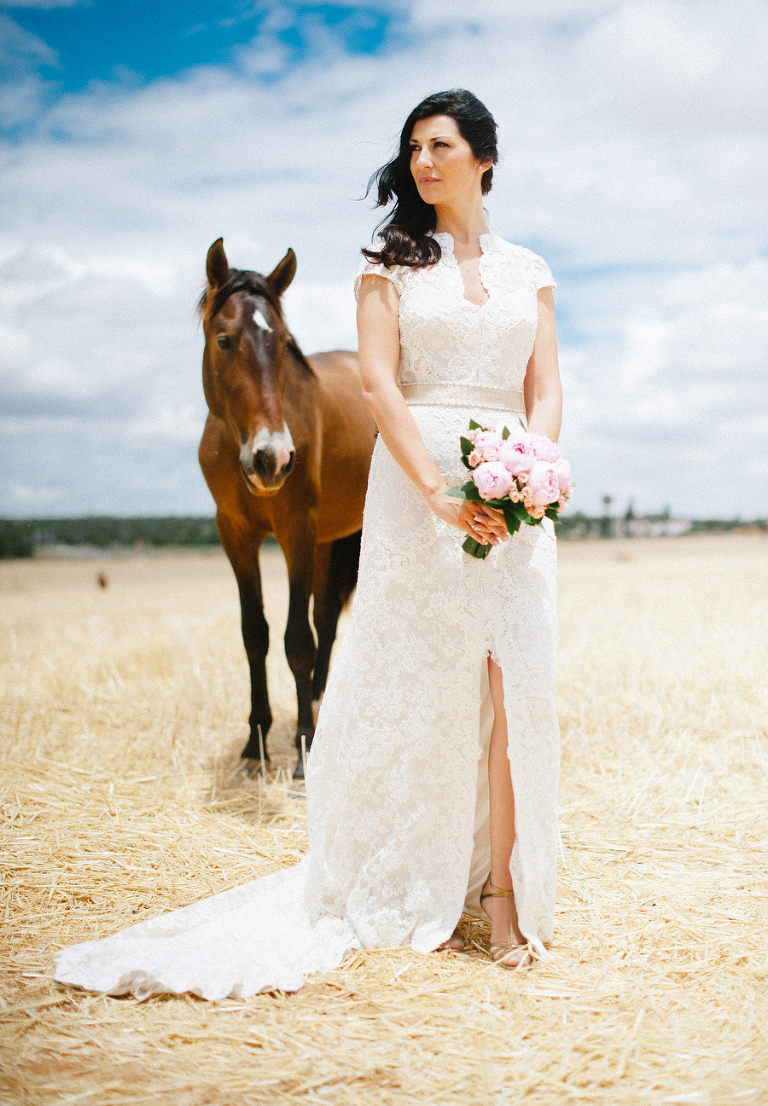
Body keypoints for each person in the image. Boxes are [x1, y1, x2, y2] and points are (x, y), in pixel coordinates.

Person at [54, 89, 561, 999]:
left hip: (512, 497)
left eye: (439, 146)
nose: (421, 162)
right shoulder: (385, 267)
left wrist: (533, 466)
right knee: (422, 690)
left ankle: (500, 897)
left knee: (509, 692)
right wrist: (443, 495)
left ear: (484, 157)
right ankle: (418, 878)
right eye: (412, 149)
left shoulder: (532, 270)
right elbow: (376, 385)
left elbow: (545, 383)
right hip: (421, 496)